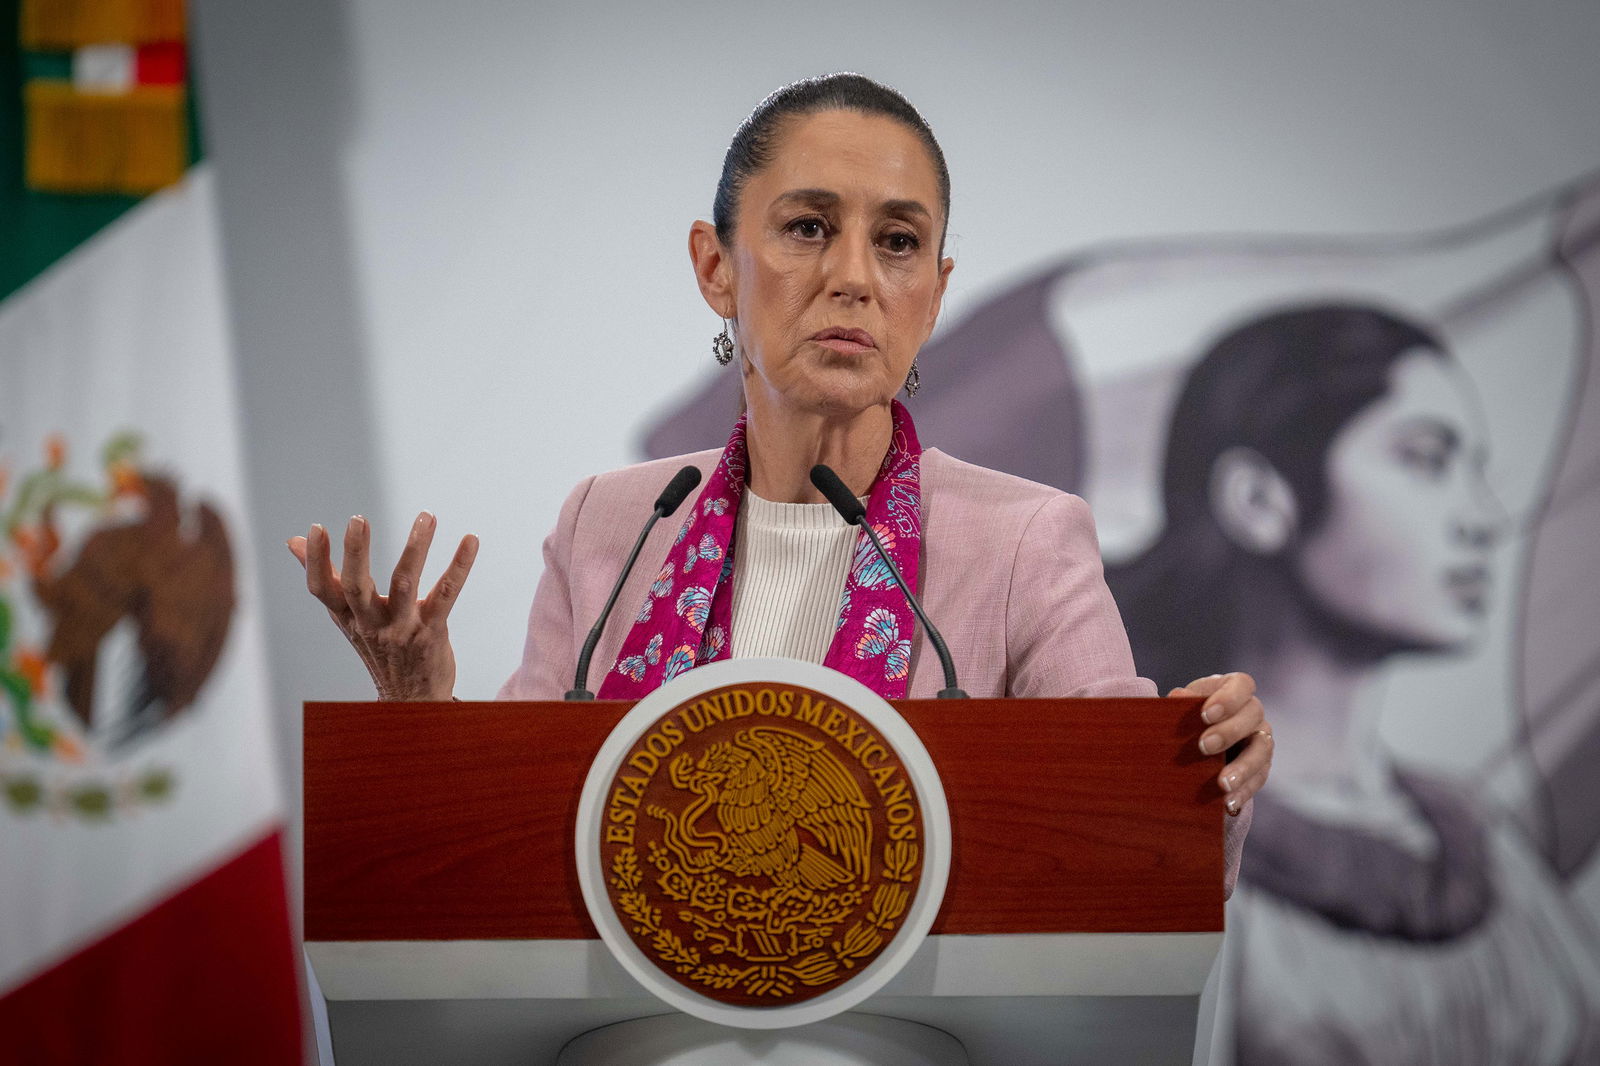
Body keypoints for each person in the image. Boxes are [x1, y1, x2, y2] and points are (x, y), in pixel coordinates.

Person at [287, 73, 1271, 888]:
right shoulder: (611, 524)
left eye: (898, 242)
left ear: (934, 294)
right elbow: (505, 849)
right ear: (715, 266)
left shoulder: (1024, 540)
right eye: (807, 227)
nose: (855, 277)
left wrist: (1208, 769)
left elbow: (1136, 856)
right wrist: (418, 707)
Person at [1106, 304, 1600, 1063]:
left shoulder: (1484, 843)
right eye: (1426, 459)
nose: (1484, 518)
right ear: (1258, 499)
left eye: (1477, 470)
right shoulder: (1151, 842)